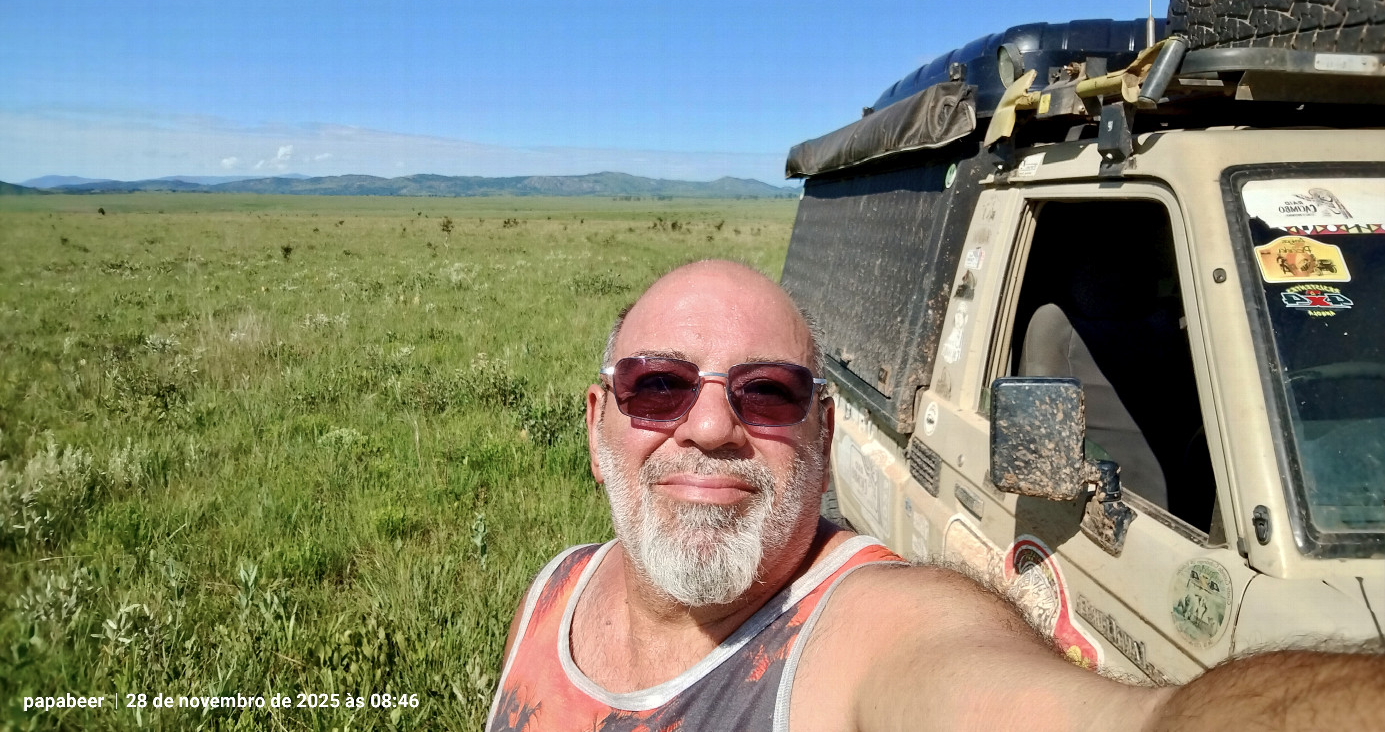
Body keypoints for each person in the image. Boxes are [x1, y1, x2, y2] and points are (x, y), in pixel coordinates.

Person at [487, 259, 1384, 732]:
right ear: (598, 424)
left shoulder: (864, 636)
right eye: (658, 385)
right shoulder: (555, 590)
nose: (712, 426)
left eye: (767, 391)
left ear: (825, 434)